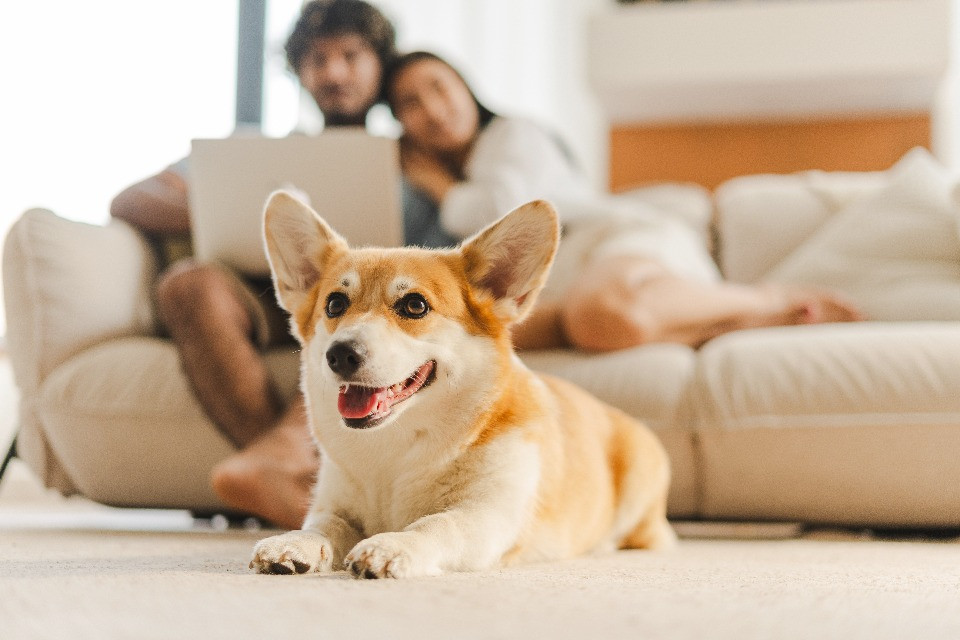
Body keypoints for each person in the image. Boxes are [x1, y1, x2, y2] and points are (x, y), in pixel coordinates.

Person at [110, 0, 398, 529]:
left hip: (362, 305)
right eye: (317, 59)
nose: (332, 72)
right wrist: (228, 208)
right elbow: (128, 200)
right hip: (260, 298)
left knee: (347, 311)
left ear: (381, 61)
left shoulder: (414, 156)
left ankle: (287, 481)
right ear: (299, 72)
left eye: (351, 55)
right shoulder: (258, 153)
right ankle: (283, 473)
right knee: (185, 284)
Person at [382, 51, 863, 352]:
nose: (432, 110)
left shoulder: (512, 135)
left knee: (600, 315)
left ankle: (769, 297)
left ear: (466, 87)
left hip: (622, 240)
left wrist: (430, 180)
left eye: (438, 87)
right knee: (482, 333)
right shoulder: (431, 204)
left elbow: (504, 216)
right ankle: (729, 320)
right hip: (572, 275)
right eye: (410, 103)